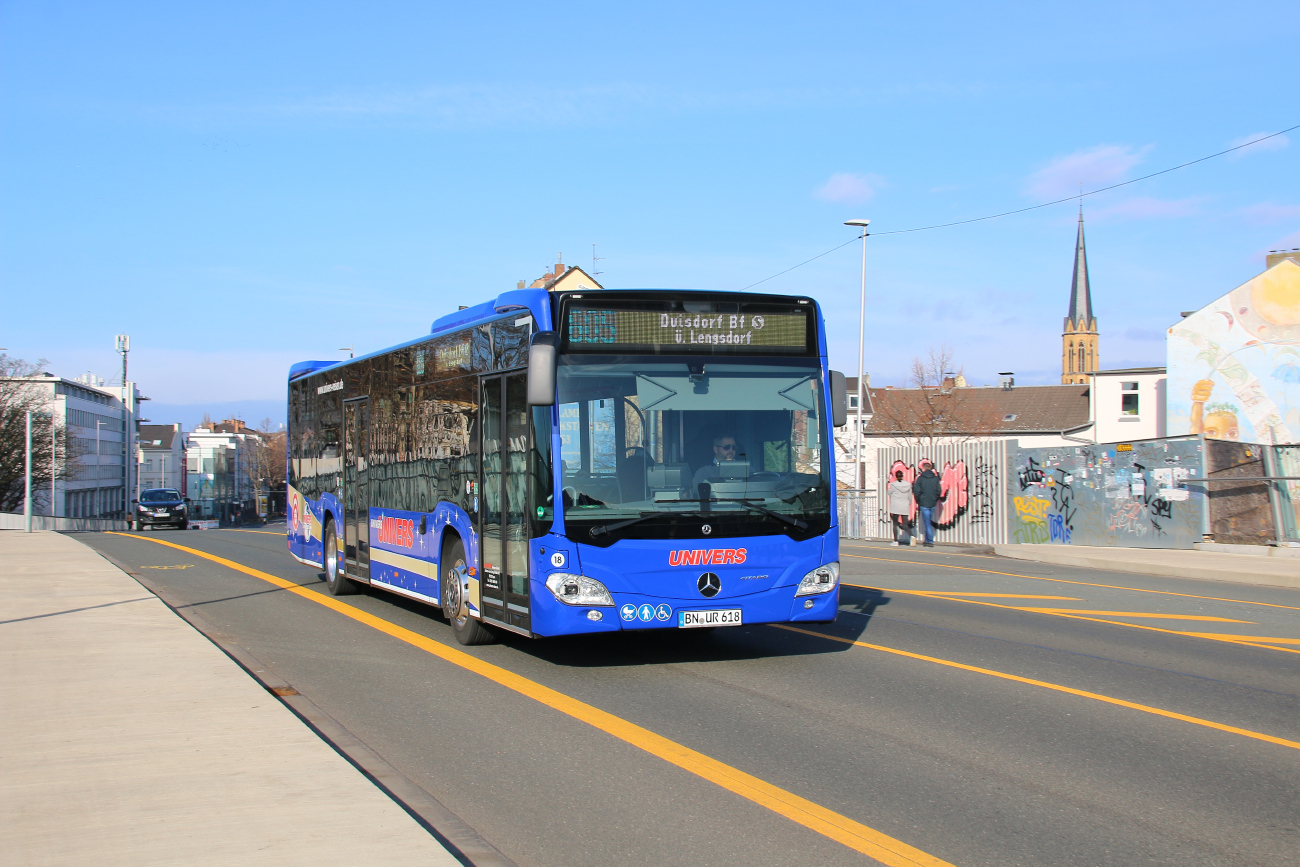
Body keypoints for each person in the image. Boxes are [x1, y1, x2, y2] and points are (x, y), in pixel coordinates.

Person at [911, 460, 944, 547]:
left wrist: (919, 501)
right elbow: (939, 491)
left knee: (927, 522)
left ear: (924, 469)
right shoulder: (935, 479)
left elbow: (916, 491)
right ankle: (927, 540)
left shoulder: (920, 479)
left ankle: (929, 541)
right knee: (928, 521)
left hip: (924, 503)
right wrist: (935, 500)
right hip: (932, 503)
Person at [886, 470, 914, 546]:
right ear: (902, 475)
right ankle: (911, 536)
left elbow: (889, 493)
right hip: (904, 505)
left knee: (895, 524)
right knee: (905, 524)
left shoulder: (894, 485)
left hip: (896, 506)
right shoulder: (908, 485)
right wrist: (909, 503)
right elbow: (910, 497)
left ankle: (896, 541)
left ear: (895, 476)